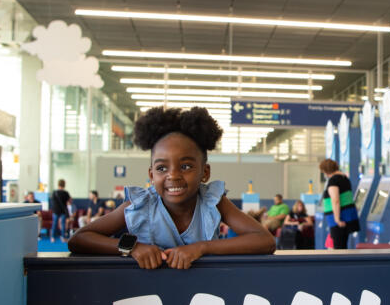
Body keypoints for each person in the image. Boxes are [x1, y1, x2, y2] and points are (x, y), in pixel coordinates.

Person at [68, 107, 274, 269]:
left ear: (205, 172)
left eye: (185, 166)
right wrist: (133, 248)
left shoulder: (212, 201)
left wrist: (201, 248)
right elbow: (79, 239)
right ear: (151, 175)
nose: (173, 175)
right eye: (162, 168)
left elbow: (264, 240)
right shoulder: (140, 205)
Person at [319, 158, 360, 250]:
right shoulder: (344, 178)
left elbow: (335, 200)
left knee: (338, 248)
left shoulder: (333, 180)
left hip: (340, 219)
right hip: (348, 216)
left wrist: (337, 219)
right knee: (342, 246)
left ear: (326, 171)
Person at [49, 179, 71, 243]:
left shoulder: (54, 192)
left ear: (58, 184)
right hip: (63, 210)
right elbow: (68, 201)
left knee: (54, 224)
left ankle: (52, 237)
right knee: (63, 224)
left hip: (56, 210)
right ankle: (63, 237)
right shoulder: (66, 193)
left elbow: (53, 202)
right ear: (64, 185)